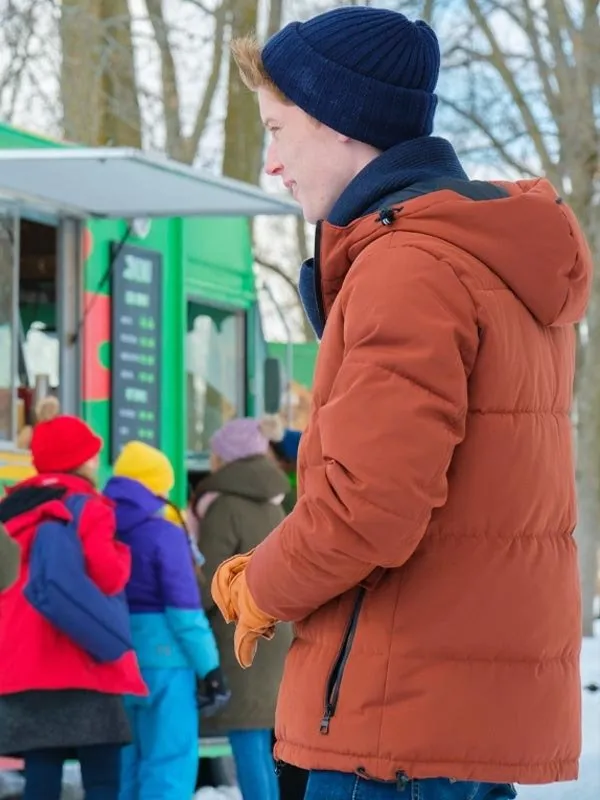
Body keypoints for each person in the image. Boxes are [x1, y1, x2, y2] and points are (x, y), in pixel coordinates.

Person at [210, 5, 593, 800]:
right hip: (454, 725)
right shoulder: (483, 263)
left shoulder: (409, 267)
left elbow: (369, 507)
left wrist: (259, 586)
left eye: (279, 130)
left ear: (339, 123)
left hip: (390, 731)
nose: (273, 163)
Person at [0, 398, 146, 800]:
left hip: (23, 664)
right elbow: (109, 576)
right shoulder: (88, 506)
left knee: (41, 781)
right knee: (101, 781)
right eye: (92, 455)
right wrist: (123, 551)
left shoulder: (10, 511)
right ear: (79, 461)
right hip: (85, 661)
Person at [103, 440, 224, 800]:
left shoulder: (99, 525)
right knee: (169, 767)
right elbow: (185, 613)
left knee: (125, 768)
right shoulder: (164, 533)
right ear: (155, 485)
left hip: (115, 660)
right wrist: (210, 668)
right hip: (166, 664)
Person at [190, 417, 293, 800]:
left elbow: (210, 581)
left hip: (239, 636)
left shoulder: (224, 507)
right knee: (261, 744)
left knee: (247, 740)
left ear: (225, 458)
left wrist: (189, 607)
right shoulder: (274, 504)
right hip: (273, 629)